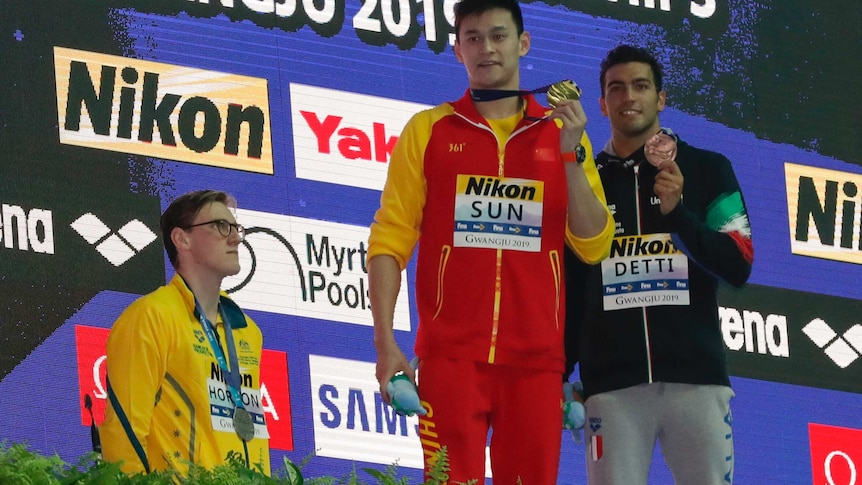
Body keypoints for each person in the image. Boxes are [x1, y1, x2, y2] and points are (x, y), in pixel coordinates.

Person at [367, 0, 615, 481]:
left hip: (537, 365)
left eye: (498, 36)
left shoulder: (563, 135)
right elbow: (389, 242)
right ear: (457, 50)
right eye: (473, 37)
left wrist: (568, 157)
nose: (486, 48)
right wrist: (384, 345)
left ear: (522, 43)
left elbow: (594, 244)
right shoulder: (428, 130)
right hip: (449, 360)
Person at [564, 44, 754, 485]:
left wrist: (678, 217)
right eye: (617, 88)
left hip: (696, 382)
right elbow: (572, 287)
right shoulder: (585, 180)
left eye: (640, 86)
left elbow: (739, 263)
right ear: (602, 103)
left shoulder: (708, 168)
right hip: (611, 390)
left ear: (661, 98)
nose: (628, 96)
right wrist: (562, 372)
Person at [100, 190, 270, 476]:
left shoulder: (247, 331)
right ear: (182, 239)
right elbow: (123, 434)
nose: (236, 238)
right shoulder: (151, 316)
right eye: (221, 227)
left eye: (236, 228)